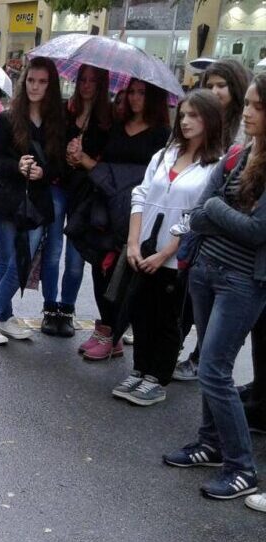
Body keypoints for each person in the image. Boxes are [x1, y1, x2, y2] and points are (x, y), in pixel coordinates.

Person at [163, 74, 266, 504]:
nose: (247, 112)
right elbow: (199, 207)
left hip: (242, 281)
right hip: (207, 270)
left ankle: (242, 467)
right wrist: (217, 212)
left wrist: (217, 210)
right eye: (247, 104)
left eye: (258, 106)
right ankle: (209, 444)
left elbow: (255, 230)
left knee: (214, 370)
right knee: (208, 360)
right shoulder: (241, 154)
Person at [109, 90, 224, 406]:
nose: (186, 122)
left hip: (177, 257)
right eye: (183, 114)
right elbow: (141, 195)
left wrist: (166, 253)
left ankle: (157, 377)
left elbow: (198, 215)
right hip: (145, 245)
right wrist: (133, 243)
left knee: (168, 318)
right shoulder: (164, 154)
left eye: (194, 115)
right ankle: (139, 369)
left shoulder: (215, 165)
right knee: (141, 311)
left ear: (210, 119)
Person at [71, 78, 171, 360]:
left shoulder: (161, 133)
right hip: (105, 207)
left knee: (122, 271)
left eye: (141, 93)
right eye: (131, 92)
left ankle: (114, 330)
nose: (134, 98)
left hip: (136, 212)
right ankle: (106, 330)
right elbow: (101, 163)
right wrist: (82, 156)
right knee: (99, 267)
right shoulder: (116, 126)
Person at [174, 59, 254, 381]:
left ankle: (199, 358)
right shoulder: (204, 120)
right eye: (210, 84)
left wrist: (213, 209)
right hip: (201, 231)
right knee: (190, 297)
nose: (215, 91)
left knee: (215, 336)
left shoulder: (243, 133)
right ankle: (176, 350)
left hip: (231, 248)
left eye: (222, 85)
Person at [0, 57, 64, 345]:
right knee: (9, 261)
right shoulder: (8, 117)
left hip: (37, 204)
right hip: (7, 199)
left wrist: (44, 171)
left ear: (50, 86)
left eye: (41, 82)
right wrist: (18, 166)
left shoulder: (56, 122)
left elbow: (61, 165)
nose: (35, 87)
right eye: (31, 80)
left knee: (21, 261)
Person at [39, 65, 112, 337]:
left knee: (75, 257)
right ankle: (50, 308)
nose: (86, 85)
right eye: (82, 79)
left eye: (93, 80)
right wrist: (65, 154)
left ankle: (67, 309)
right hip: (59, 185)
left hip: (86, 192)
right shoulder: (64, 110)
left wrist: (84, 159)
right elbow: (49, 145)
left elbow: (107, 162)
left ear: (101, 84)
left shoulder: (107, 118)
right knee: (53, 250)